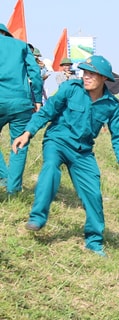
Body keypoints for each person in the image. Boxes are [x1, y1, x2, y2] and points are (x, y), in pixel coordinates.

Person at [12, 55, 119, 256]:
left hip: (83, 152)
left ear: (103, 78)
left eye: (91, 74)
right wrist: (28, 132)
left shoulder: (111, 106)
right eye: (84, 72)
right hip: (57, 141)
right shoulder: (70, 89)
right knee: (50, 169)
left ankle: (94, 241)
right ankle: (38, 217)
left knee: (93, 192)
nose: (85, 77)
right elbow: (46, 112)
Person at [0, 23, 43, 194]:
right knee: (19, 143)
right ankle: (13, 187)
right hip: (21, 102)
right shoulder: (21, 45)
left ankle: (4, 177)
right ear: (7, 34)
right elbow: (35, 73)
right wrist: (37, 98)